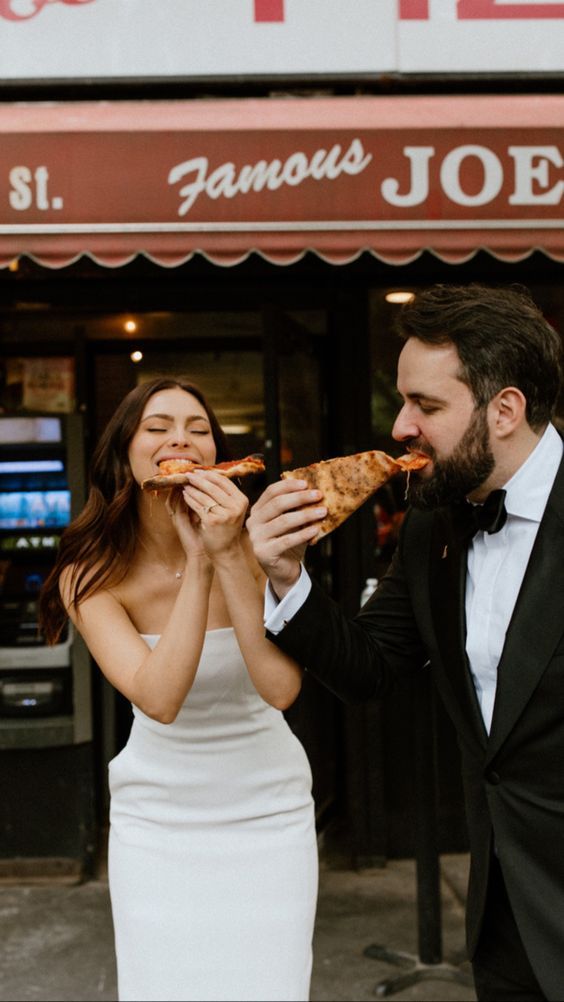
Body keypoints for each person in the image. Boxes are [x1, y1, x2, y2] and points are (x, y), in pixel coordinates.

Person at [246, 283, 564, 1002]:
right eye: (403, 401)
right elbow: (373, 670)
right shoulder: (434, 523)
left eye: (426, 405)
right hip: (504, 919)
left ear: (505, 410)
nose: (400, 427)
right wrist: (285, 577)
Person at [39, 376, 318, 1002]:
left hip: (267, 814)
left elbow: (280, 688)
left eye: (198, 429)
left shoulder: (254, 546)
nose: (180, 441)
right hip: (158, 821)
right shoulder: (89, 573)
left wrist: (228, 556)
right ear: (124, 452)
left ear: (218, 454)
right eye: (158, 427)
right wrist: (199, 562)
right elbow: (158, 698)